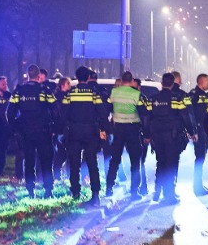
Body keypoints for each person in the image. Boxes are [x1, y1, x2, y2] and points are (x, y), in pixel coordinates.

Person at [6, 64, 57, 198]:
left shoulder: (19, 91)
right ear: (39, 75)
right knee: (46, 161)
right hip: (43, 131)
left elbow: (9, 113)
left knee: (29, 162)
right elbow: (56, 110)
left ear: (28, 75)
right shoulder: (45, 90)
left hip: (26, 133)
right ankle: (48, 191)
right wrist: (54, 127)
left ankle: (30, 191)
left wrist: (17, 128)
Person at [61, 66, 109, 207]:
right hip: (91, 132)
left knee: (74, 163)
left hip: (74, 131)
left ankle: (75, 192)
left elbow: (63, 114)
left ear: (76, 77)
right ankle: (95, 195)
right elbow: (102, 113)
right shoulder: (93, 94)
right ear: (88, 78)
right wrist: (105, 129)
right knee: (92, 163)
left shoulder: (70, 94)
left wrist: (60, 131)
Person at [148, 73, 195, 204]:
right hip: (172, 137)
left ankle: (157, 191)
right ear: (173, 84)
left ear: (162, 83)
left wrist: (147, 135)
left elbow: (147, 118)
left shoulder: (153, 99)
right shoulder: (176, 99)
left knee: (160, 163)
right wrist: (192, 132)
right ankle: (169, 194)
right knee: (171, 165)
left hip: (157, 136)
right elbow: (185, 116)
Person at [105, 71, 150, 199]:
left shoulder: (114, 93)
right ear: (131, 81)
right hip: (132, 129)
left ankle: (109, 189)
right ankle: (134, 192)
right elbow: (144, 114)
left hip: (118, 129)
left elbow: (107, 109)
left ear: (122, 80)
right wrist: (146, 133)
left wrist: (106, 128)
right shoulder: (136, 94)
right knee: (135, 161)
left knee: (114, 160)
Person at [188, 73, 208, 195]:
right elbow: (191, 113)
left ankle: (198, 184)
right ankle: (197, 186)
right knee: (200, 158)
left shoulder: (202, 95)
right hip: (199, 130)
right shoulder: (194, 95)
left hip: (204, 130)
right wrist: (193, 130)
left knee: (201, 158)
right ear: (201, 82)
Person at [52, 77, 72, 181]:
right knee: (61, 154)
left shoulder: (65, 96)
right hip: (61, 129)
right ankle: (57, 174)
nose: (70, 85)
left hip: (65, 129)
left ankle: (62, 175)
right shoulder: (59, 97)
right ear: (62, 85)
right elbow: (60, 115)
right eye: (68, 83)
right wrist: (59, 131)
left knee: (67, 154)